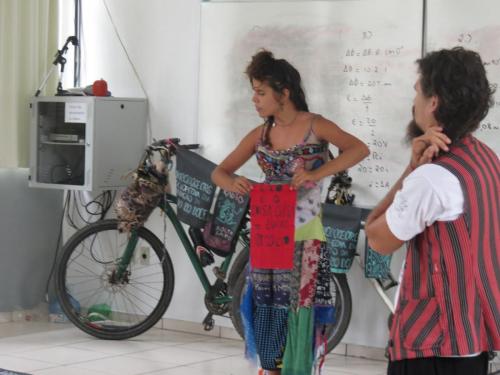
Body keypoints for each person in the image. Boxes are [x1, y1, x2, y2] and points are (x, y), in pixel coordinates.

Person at [211, 50, 369, 374]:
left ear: (283, 93)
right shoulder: (261, 134)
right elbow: (220, 172)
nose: (254, 99)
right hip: (269, 237)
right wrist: (234, 182)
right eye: (253, 91)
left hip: (306, 237)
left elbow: (358, 149)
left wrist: (318, 173)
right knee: (267, 310)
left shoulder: (315, 125)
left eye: (261, 92)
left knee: (300, 313)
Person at [365, 47, 499, 375]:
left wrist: (411, 169)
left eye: (417, 92)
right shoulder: (485, 158)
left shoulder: (433, 178)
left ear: (434, 102)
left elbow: (377, 238)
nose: (414, 103)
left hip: (433, 346)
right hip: (473, 338)